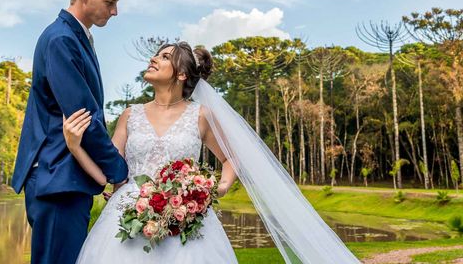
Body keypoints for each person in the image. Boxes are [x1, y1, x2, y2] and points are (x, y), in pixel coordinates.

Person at [63, 42, 361, 264]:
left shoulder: (200, 115)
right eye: (156, 54)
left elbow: (232, 158)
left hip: (184, 223)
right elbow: (109, 172)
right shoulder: (131, 114)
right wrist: (75, 146)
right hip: (126, 221)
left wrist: (215, 187)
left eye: (164, 56)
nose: (153, 58)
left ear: (181, 74)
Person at [11, 0, 129, 264]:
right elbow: (83, 116)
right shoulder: (62, 38)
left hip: (66, 177)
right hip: (57, 178)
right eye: (110, 2)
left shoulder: (76, 36)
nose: (114, 11)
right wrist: (120, 172)